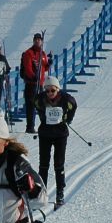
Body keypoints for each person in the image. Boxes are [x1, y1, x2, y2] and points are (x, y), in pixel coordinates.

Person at [33, 75, 76, 209]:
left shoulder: (66, 99)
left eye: (53, 90)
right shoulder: (40, 99)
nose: (50, 93)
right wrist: (42, 117)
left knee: (59, 163)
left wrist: (68, 119)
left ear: (57, 89)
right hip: (45, 133)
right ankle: (41, 191)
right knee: (43, 164)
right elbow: (35, 105)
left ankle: (60, 192)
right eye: (47, 90)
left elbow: (73, 106)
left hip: (60, 134)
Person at [19, 33, 49, 134]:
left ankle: (44, 126)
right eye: (35, 39)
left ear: (41, 41)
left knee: (41, 105)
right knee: (31, 105)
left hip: (40, 84)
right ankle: (30, 127)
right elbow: (27, 68)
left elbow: (45, 67)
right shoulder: (29, 53)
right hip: (31, 84)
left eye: (39, 40)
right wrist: (33, 76)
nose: (37, 41)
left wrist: (50, 63)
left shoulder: (42, 54)